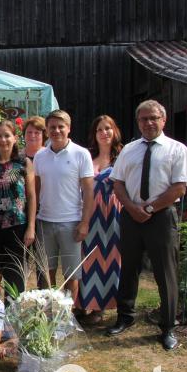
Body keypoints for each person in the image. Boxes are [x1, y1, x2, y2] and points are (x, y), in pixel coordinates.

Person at [107, 100, 187, 351]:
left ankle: (168, 327)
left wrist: (148, 209)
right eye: (143, 119)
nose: (148, 123)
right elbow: (118, 183)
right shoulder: (129, 150)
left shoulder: (176, 150)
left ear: (163, 120)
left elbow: (179, 187)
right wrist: (133, 208)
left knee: (165, 273)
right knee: (128, 268)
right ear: (138, 122)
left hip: (161, 217)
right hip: (131, 215)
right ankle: (125, 316)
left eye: (153, 118)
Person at [33, 110, 94, 303]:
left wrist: (84, 223)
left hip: (71, 223)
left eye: (61, 127)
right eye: (52, 127)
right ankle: (47, 313)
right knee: (45, 272)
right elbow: (35, 190)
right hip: (45, 222)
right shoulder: (40, 156)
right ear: (47, 130)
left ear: (69, 128)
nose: (57, 130)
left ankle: (66, 317)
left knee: (72, 274)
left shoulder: (81, 154)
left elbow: (88, 192)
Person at [0, 120, 37, 300]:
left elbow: (32, 196)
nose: (3, 140)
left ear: (15, 138)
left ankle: (12, 317)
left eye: (7, 135)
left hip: (17, 225)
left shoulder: (24, 163)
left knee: (15, 272)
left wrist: (31, 226)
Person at [78, 115, 124, 325]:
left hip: (114, 213)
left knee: (110, 259)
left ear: (114, 131)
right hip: (90, 213)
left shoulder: (123, 157)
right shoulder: (88, 157)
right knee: (87, 260)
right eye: (99, 130)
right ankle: (83, 303)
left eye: (108, 128)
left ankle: (100, 308)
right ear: (94, 134)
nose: (104, 133)